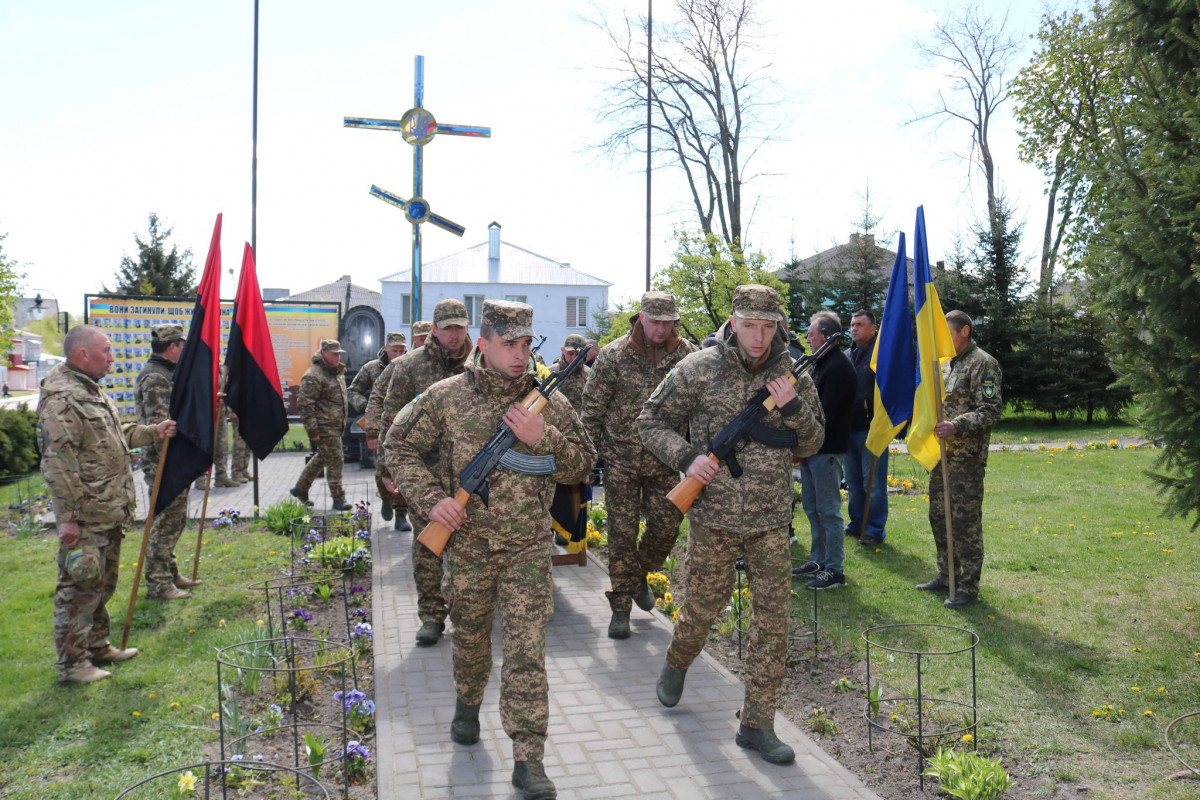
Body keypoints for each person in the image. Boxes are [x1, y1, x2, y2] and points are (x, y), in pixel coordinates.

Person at [386, 300, 595, 800]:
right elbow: (398, 445)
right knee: (472, 638)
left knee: (526, 653)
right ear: (483, 344)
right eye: (510, 344)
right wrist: (434, 500)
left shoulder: (549, 402)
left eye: (527, 344)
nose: (521, 354)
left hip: (527, 550)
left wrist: (543, 437)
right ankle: (466, 702)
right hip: (470, 547)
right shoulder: (447, 396)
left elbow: (584, 463)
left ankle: (529, 757)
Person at [637, 284, 825, 765]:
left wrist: (793, 407)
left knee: (773, 625)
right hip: (714, 517)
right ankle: (678, 661)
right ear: (734, 323)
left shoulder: (792, 374)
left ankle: (757, 725)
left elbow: (812, 443)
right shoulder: (699, 368)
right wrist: (687, 458)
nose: (759, 337)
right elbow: (650, 420)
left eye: (768, 327)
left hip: (770, 519)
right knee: (703, 606)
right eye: (750, 326)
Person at [38, 325, 177, 682]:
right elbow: (58, 461)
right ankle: (72, 664)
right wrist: (67, 520)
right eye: (108, 351)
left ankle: (98, 647)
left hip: (107, 510)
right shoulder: (63, 398)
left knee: (101, 585)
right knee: (78, 588)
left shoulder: (90, 390)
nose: (113, 358)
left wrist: (153, 431)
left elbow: (117, 435)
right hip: (84, 516)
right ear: (82, 354)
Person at [581, 291, 697, 639]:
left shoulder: (688, 356)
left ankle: (636, 578)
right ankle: (620, 608)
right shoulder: (615, 355)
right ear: (641, 317)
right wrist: (588, 456)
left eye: (668, 322)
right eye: (655, 321)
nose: (661, 329)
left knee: (667, 527)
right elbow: (592, 409)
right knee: (620, 534)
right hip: (621, 460)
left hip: (665, 459)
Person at [372, 299, 471, 645]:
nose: (455, 335)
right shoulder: (409, 366)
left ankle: (469, 613)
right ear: (434, 329)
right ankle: (431, 615)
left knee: (470, 548)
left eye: (461, 327)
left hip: (470, 474)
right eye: (448, 328)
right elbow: (390, 419)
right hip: (423, 473)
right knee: (427, 546)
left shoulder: (481, 363)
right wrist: (388, 470)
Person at [917, 310, 1002, 609]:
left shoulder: (983, 363)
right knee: (939, 516)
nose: (944, 341)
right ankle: (946, 574)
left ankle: (968, 586)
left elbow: (990, 409)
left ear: (964, 331)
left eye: (948, 334)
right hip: (942, 456)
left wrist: (958, 425)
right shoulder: (946, 365)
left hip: (966, 459)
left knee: (965, 521)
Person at [792, 310, 857, 590]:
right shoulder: (820, 363)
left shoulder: (839, 367)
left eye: (811, 333)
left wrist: (802, 444)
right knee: (812, 507)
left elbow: (824, 415)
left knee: (828, 511)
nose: (807, 338)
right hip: (811, 450)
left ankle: (835, 570)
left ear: (827, 336)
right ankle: (818, 561)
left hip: (826, 450)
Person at [136, 324, 200, 599]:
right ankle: (158, 583)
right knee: (165, 521)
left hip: (173, 457)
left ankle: (170, 573)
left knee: (174, 519)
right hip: (164, 459)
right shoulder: (156, 377)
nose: (185, 350)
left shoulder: (166, 372)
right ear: (172, 347)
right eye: (182, 345)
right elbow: (159, 423)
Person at [845, 309, 889, 546]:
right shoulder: (846, 355)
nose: (854, 328)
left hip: (873, 428)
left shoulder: (881, 356)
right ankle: (856, 523)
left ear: (874, 329)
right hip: (848, 428)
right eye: (852, 324)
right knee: (852, 482)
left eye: (860, 324)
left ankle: (873, 530)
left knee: (873, 484)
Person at [290, 340, 350, 511]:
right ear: (323, 353)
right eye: (334, 354)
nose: (337, 357)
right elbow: (305, 405)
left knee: (323, 457)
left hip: (336, 425)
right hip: (324, 427)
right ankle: (338, 498)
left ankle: (300, 488)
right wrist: (313, 430)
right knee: (336, 460)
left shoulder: (335, 372)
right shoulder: (314, 375)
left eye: (339, 354)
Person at [347, 332, 406, 476]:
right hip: (380, 428)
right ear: (386, 348)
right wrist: (365, 406)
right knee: (382, 472)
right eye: (394, 351)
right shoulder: (371, 368)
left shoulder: (413, 365)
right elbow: (352, 391)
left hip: (405, 427)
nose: (398, 355)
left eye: (401, 351)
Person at [550, 333, 592, 414]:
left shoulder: (590, 375)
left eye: (578, 354)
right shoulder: (550, 373)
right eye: (570, 353)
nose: (574, 358)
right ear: (562, 350)